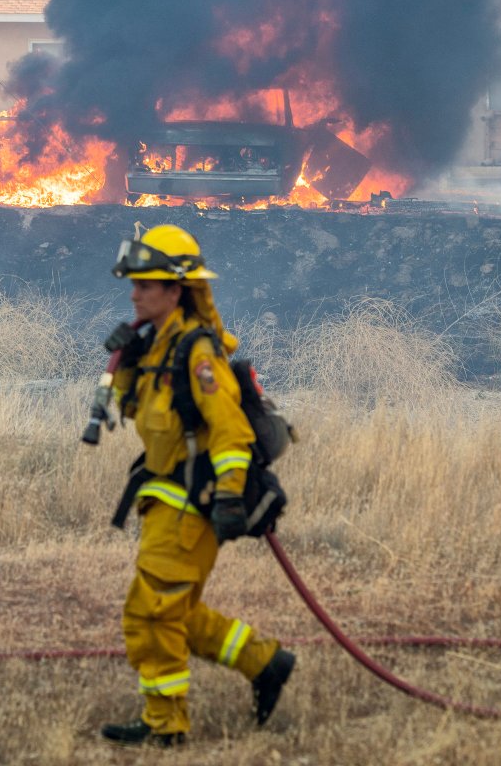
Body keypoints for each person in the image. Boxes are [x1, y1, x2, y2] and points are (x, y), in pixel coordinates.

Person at [101, 223, 296, 748]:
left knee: (152, 611)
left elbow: (231, 431)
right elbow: (138, 414)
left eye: (146, 285)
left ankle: (166, 726)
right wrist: (124, 368)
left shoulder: (198, 353)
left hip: (194, 503)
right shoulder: (157, 347)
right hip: (165, 497)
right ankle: (263, 661)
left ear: (175, 291)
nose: (135, 293)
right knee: (176, 611)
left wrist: (230, 494)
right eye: (135, 284)